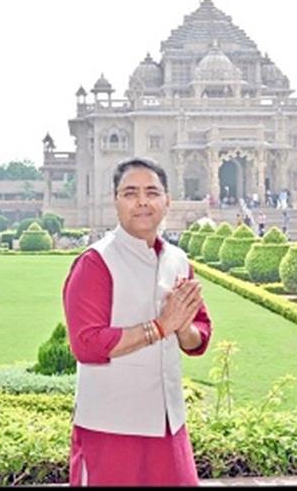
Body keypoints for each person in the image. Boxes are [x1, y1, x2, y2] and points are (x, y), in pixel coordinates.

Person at [63, 157, 212, 486]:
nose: (143, 201)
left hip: (168, 425)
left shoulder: (177, 259)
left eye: (152, 192)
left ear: (167, 201)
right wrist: (160, 327)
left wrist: (181, 326)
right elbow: (86, 344)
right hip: (110, 426)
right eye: (130, 193)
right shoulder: (96, 262)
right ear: (115, 200)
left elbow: (199, 335)